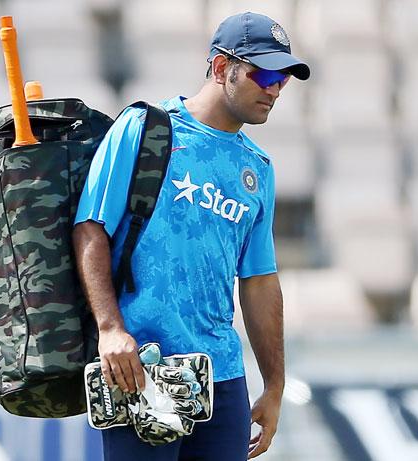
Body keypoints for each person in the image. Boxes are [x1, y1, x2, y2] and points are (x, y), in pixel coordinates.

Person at [73, 11, 310, 461]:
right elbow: (91, 227)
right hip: (142, 366)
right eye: (265, 73)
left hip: (222, 377)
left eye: (283, 78)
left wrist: (275, 386)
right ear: (222, 68)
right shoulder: (146, 128)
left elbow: (259, 281)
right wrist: (109, 329)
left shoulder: (258, 169)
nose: (275, 88)